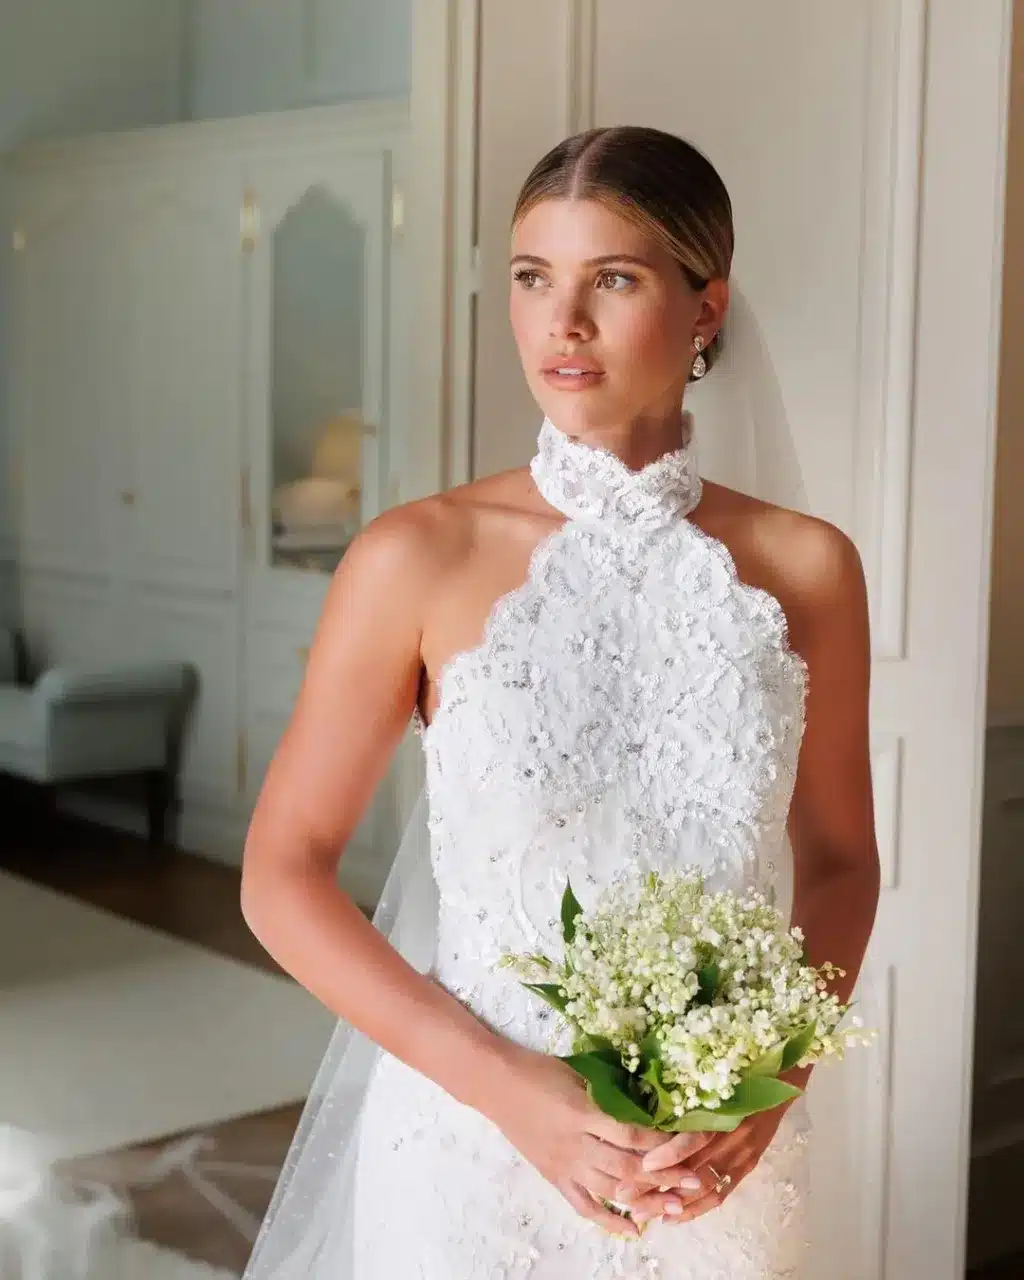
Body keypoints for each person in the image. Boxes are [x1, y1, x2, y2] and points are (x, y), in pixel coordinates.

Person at [239, 125, 881, 1278]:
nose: (560, 323)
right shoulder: (415, 555)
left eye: (613, 279)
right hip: (472, 1145)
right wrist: (511, 1094)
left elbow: (839, 858)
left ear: (706, 308)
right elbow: (281, 870)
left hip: (713, 1159)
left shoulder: (809, 566)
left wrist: (772, 1078)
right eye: (533, 279)